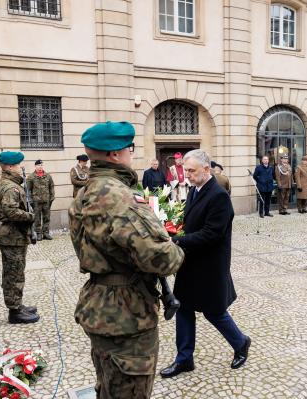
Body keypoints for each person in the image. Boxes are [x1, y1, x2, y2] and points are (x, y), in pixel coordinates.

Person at [69, 121, 184, 398]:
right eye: (130, 149)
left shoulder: (84, 193)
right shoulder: (119, 197)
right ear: (115, 154)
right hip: (125, 313)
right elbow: (163, 260)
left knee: (108, 384)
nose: (132, 154)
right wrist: (174, 246)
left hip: (100, 303)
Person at [160, 149, 250, 379]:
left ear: (206, 169)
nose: (187, 174)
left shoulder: (218, 196)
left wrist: (175, 240)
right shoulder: (194, 190)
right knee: (184, 309)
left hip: (210, 266)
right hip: (191, 262)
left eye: (191, 170)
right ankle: (184, 359)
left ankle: (241, 343)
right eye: (186, 170)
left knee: (214, 312)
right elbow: (192, 225)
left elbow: (212, 234)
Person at [0, 151, 39, 324]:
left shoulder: (10, 184)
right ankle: (15, 312)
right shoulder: (10, 187)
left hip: (15, 236)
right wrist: (30, 216)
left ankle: (17, 305)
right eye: (19, 165)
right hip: (12, 236)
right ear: (10, 167)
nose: (21, 167)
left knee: (16, 272)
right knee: (14, 274)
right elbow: (10, 211)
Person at [28, 160, 55, 241]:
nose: (40, 167)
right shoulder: (31, 177)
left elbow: (51, 187)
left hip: (46, 201)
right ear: (35, 166)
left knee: (47, 217)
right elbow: (28, 190)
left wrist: (51, 198)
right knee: (37, 218)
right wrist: (30, 201)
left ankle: (46, 233)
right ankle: (39, 233)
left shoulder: (48, 176)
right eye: (38, 165)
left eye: (41, 165)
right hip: (36, 201)